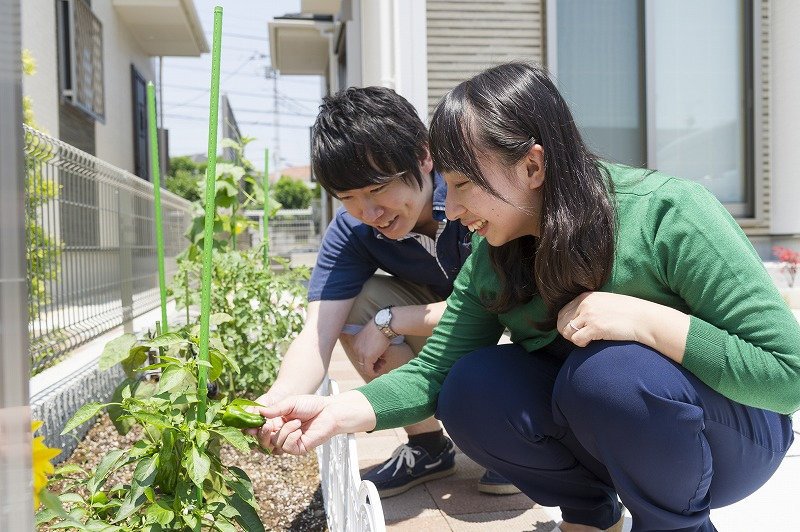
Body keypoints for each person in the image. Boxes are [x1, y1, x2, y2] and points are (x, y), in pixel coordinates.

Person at [254, 62, 800, 532]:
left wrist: (646, 321)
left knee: (609, 376)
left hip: (733, 437)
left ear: (532, 166)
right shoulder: (494, 253)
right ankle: (589, 514)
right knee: (473, 388)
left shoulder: (667, 215)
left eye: (464, 185)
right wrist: (332, 411)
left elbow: (789, 374)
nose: (455, 209)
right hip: (622, 426)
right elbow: (435, 372)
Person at [255, 85, 518, 497]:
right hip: (451, 324)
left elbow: (486, 307)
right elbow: (318, 332)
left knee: (482, 361)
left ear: (423, 156)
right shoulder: (354, 230)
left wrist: (392, 320)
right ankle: (427, 444)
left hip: (507, 321)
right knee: (352, 306)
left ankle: (518, 439)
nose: (369, 212)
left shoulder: (473, 198)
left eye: (377, 189)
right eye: (348, 197)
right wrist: (278, 401)